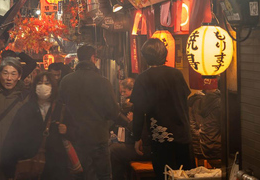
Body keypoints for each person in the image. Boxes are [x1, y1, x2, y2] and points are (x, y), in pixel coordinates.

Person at [130, 38, 194, 180]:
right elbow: (185, 103)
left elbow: (139, 112)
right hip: (183, 136)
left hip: (161, 140)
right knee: (187, 176)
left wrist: (137, 137)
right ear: (165, 54)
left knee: (164, 176)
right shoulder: (177, 74)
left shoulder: (142, 79)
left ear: (145, 57)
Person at [59, 45, 120, 180]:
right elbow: (113, 112)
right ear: (93, 58)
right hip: (98, 138)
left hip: (75, 137)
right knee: (102, 175)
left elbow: (59, 108)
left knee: (80, 175)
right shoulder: (103, 82)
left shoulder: (65, 81)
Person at [1, 72, 73, 180]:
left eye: (47, 83)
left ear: (53, 87)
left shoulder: (61, 109)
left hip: (56, 167)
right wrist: (9, 169)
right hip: (30, 165)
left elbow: (77, 133)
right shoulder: (26, 109)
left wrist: (67, 130)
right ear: (34, 87)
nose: (43, 86)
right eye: (40, 83)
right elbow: (13, 139)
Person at [110, 78, 151, 180]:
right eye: (121, 92)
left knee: (113, 150)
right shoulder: (135, 106)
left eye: (124, 92)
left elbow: (142, 133)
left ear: (133, 90)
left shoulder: (140, 106)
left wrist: (130, 122)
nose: (123, 95)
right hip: (137, 144)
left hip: (145, 148)